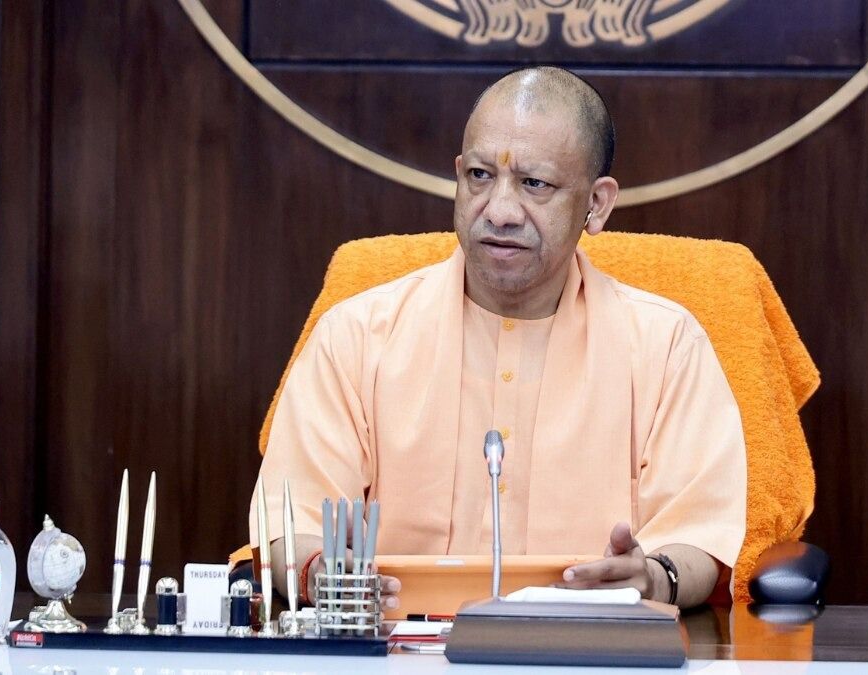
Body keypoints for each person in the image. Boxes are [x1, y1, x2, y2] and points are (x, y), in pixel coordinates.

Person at [250, 66, 746, 609]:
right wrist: (322, 572)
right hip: (394, 639)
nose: (500, 211)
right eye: (480, 176)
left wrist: (651, 577)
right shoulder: (357, 336)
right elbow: (288, 525)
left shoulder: (665, 346)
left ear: (597, 203)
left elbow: (699, 541)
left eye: (535, 184)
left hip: (589, 642)